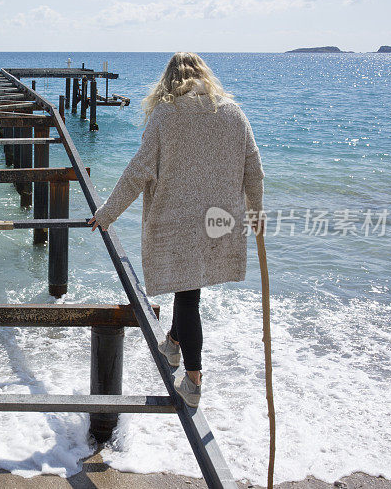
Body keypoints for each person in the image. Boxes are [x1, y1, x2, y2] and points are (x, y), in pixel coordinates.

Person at [88, 52, 265, 408]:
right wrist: (255, 217)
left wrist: (107, 214)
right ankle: (171, 344)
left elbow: (139, 170)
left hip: (177, 223)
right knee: (190, 293)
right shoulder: (232, 112)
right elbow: (254, 171)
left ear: (168, 80)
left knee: (187, 296)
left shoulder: (166, 115)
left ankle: (194, 379)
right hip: (219, 222)